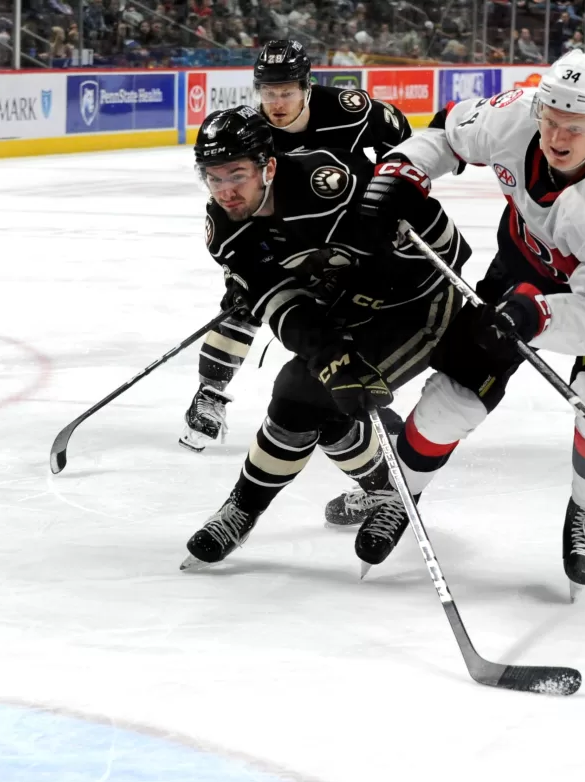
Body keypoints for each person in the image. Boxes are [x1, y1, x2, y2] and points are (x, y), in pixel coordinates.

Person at [344, 51, 585, 590]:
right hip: (523, 264)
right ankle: (402, 493)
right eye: (550, 119)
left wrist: (536, 314)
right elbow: (446, 134)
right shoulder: (514, 114)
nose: (557, 136)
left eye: (575, 126)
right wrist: (404, 170)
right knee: (453, 398)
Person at [182, 106, 467, 569]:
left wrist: (385, 255)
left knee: (300, 392)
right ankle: (376, 494)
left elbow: (449, 246)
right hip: (343, 315)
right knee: (322, 403)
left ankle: (264, 505)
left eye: (237, 174)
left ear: (268, 166)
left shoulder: (329, 183)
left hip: (418, 305)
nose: (227, 190)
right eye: (214, 178)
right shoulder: (226, 231)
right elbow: (281, 306)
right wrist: (331, 354)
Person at [181, 39, 413, 453]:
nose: (277, 102)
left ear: (307, 87)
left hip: (345, 227)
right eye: (268, 93)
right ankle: (209, 395)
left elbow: (403, 140)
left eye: (286, 91)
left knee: (356, 309)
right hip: (284, 233)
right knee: (245, 297)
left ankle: (359, 396)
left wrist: (392, 190)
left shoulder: (349, 109)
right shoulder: (253, 131)